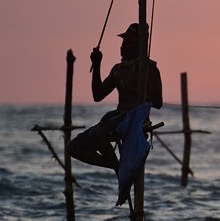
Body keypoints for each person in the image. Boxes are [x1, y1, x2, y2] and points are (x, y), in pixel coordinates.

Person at [68, 22, 164, 176]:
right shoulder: (118, 69)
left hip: (136, 119)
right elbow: (98, 95)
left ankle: (121, 171)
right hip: (119, 117)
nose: (122, 46)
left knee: (100, 133)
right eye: (123, 42)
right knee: (73, 147)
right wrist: (97, 65)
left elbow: (158, 102)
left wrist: (137, 87)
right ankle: (118, 168)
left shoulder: (149, 69)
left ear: (139, 46)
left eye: (128, 43)